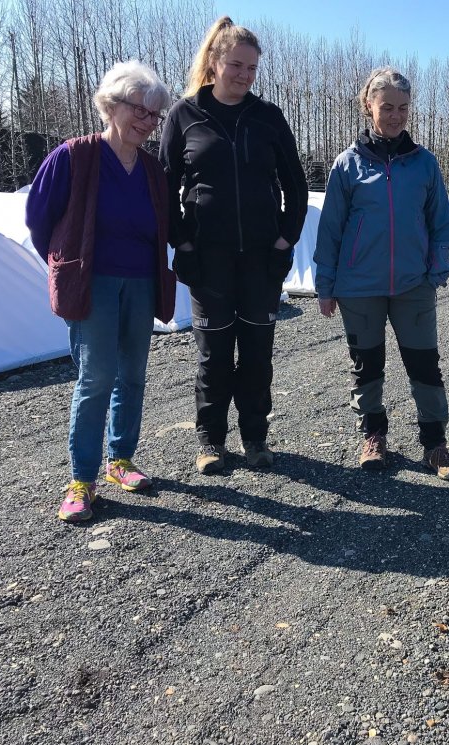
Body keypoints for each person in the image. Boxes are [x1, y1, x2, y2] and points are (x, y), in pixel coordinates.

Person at [26, 61, 175, 522]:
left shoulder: (152, 169)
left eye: (156, 116)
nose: (148, 123)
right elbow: (39, 219)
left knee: (132, 375)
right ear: (111, 105)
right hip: (94, 282)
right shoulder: (74, 156)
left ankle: (122, 459)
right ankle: (81, 479)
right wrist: (66, 263)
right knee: (96, 378)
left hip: (142, 281)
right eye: (141, 111)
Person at [159, 17, 308, 475]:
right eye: (236, 65)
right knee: (214, 353)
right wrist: (182, 245)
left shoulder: (268, 117)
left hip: (262, 258)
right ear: (214, 63)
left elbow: (296, 185)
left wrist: (285, 239)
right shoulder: (184, 115)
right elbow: (166, 188)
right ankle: (210, 441)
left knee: (258, 353)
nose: (245, 75)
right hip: (209, 260)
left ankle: (255, 438)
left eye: (252, 68)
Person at [314, 67, 449, 480]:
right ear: (369, 107)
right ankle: (374, 438)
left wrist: (437, 268)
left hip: (413, 286)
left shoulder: (424, 164)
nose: (395, 116)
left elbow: (440, 223)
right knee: (367, 366)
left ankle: (435, 445)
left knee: (425, 366)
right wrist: (325, 285)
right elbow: (330, 230)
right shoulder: (347, 166)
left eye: (402, 108)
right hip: (358, 287)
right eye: (386, 108)